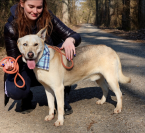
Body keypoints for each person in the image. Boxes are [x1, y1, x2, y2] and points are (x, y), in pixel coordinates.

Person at [2, 0, 81, 114]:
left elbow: (75, 35)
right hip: (27, 67)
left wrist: (70, 40)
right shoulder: (11, 26)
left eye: (39, 7)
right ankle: (26, 96)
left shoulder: (48, 17)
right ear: (22, 3)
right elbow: (14, 59)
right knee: (15, 90)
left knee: (68, 51)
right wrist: (10, 65)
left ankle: (62, 96)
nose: (35, 11)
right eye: (31, 6)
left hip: (51, 63)